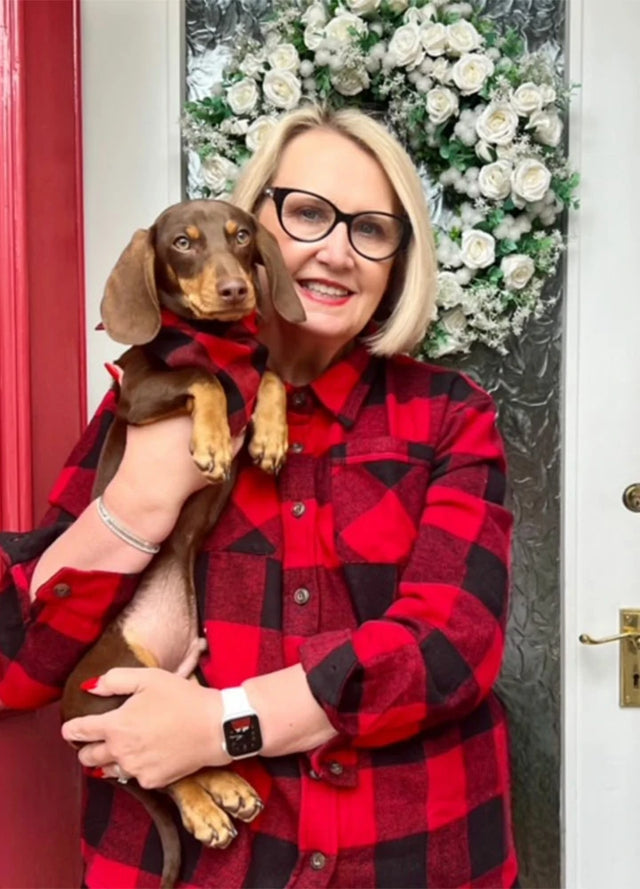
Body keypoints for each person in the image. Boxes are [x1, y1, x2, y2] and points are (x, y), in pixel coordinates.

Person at [0, 105, 519, 888]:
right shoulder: (149, 401)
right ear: (257, 220)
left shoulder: (449, 413)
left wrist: (221, 724)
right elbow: (24, 665)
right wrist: (138, 505)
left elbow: (452, 645)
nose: (336, 252)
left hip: (412, 855)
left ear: (397, 263)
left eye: (371, 230)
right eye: (307, 213)